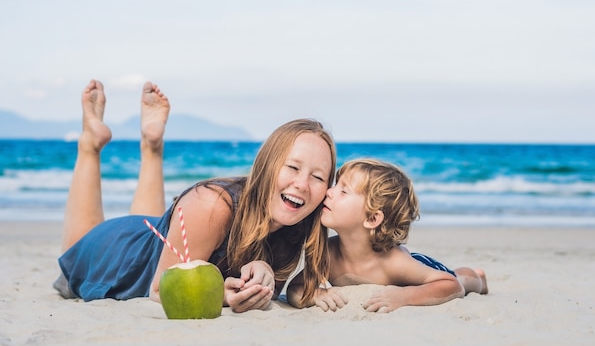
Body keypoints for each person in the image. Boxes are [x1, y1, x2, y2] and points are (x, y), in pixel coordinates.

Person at [53, 79, 336, 313]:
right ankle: (90, 143)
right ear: (266, 166)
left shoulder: (298, 223)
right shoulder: (211, 204)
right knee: (73, 255)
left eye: (318, 177)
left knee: (157, 231)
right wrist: (221, 296)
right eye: (293, 167)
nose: (302, 184)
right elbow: (157, 290)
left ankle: (152, 146)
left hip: (155, 240)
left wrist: (263, 272)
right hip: (117, 256)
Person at [287, 158, 488, 313]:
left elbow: (450, 286)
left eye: (343, 191)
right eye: (335, 185)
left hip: (418, 267)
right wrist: (316, 294)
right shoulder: (328, 253)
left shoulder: (394, 262)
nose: (329, 192)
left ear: (373, 218)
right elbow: (295, 288)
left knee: (461, 278)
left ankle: (478, 276)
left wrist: (404, 296)